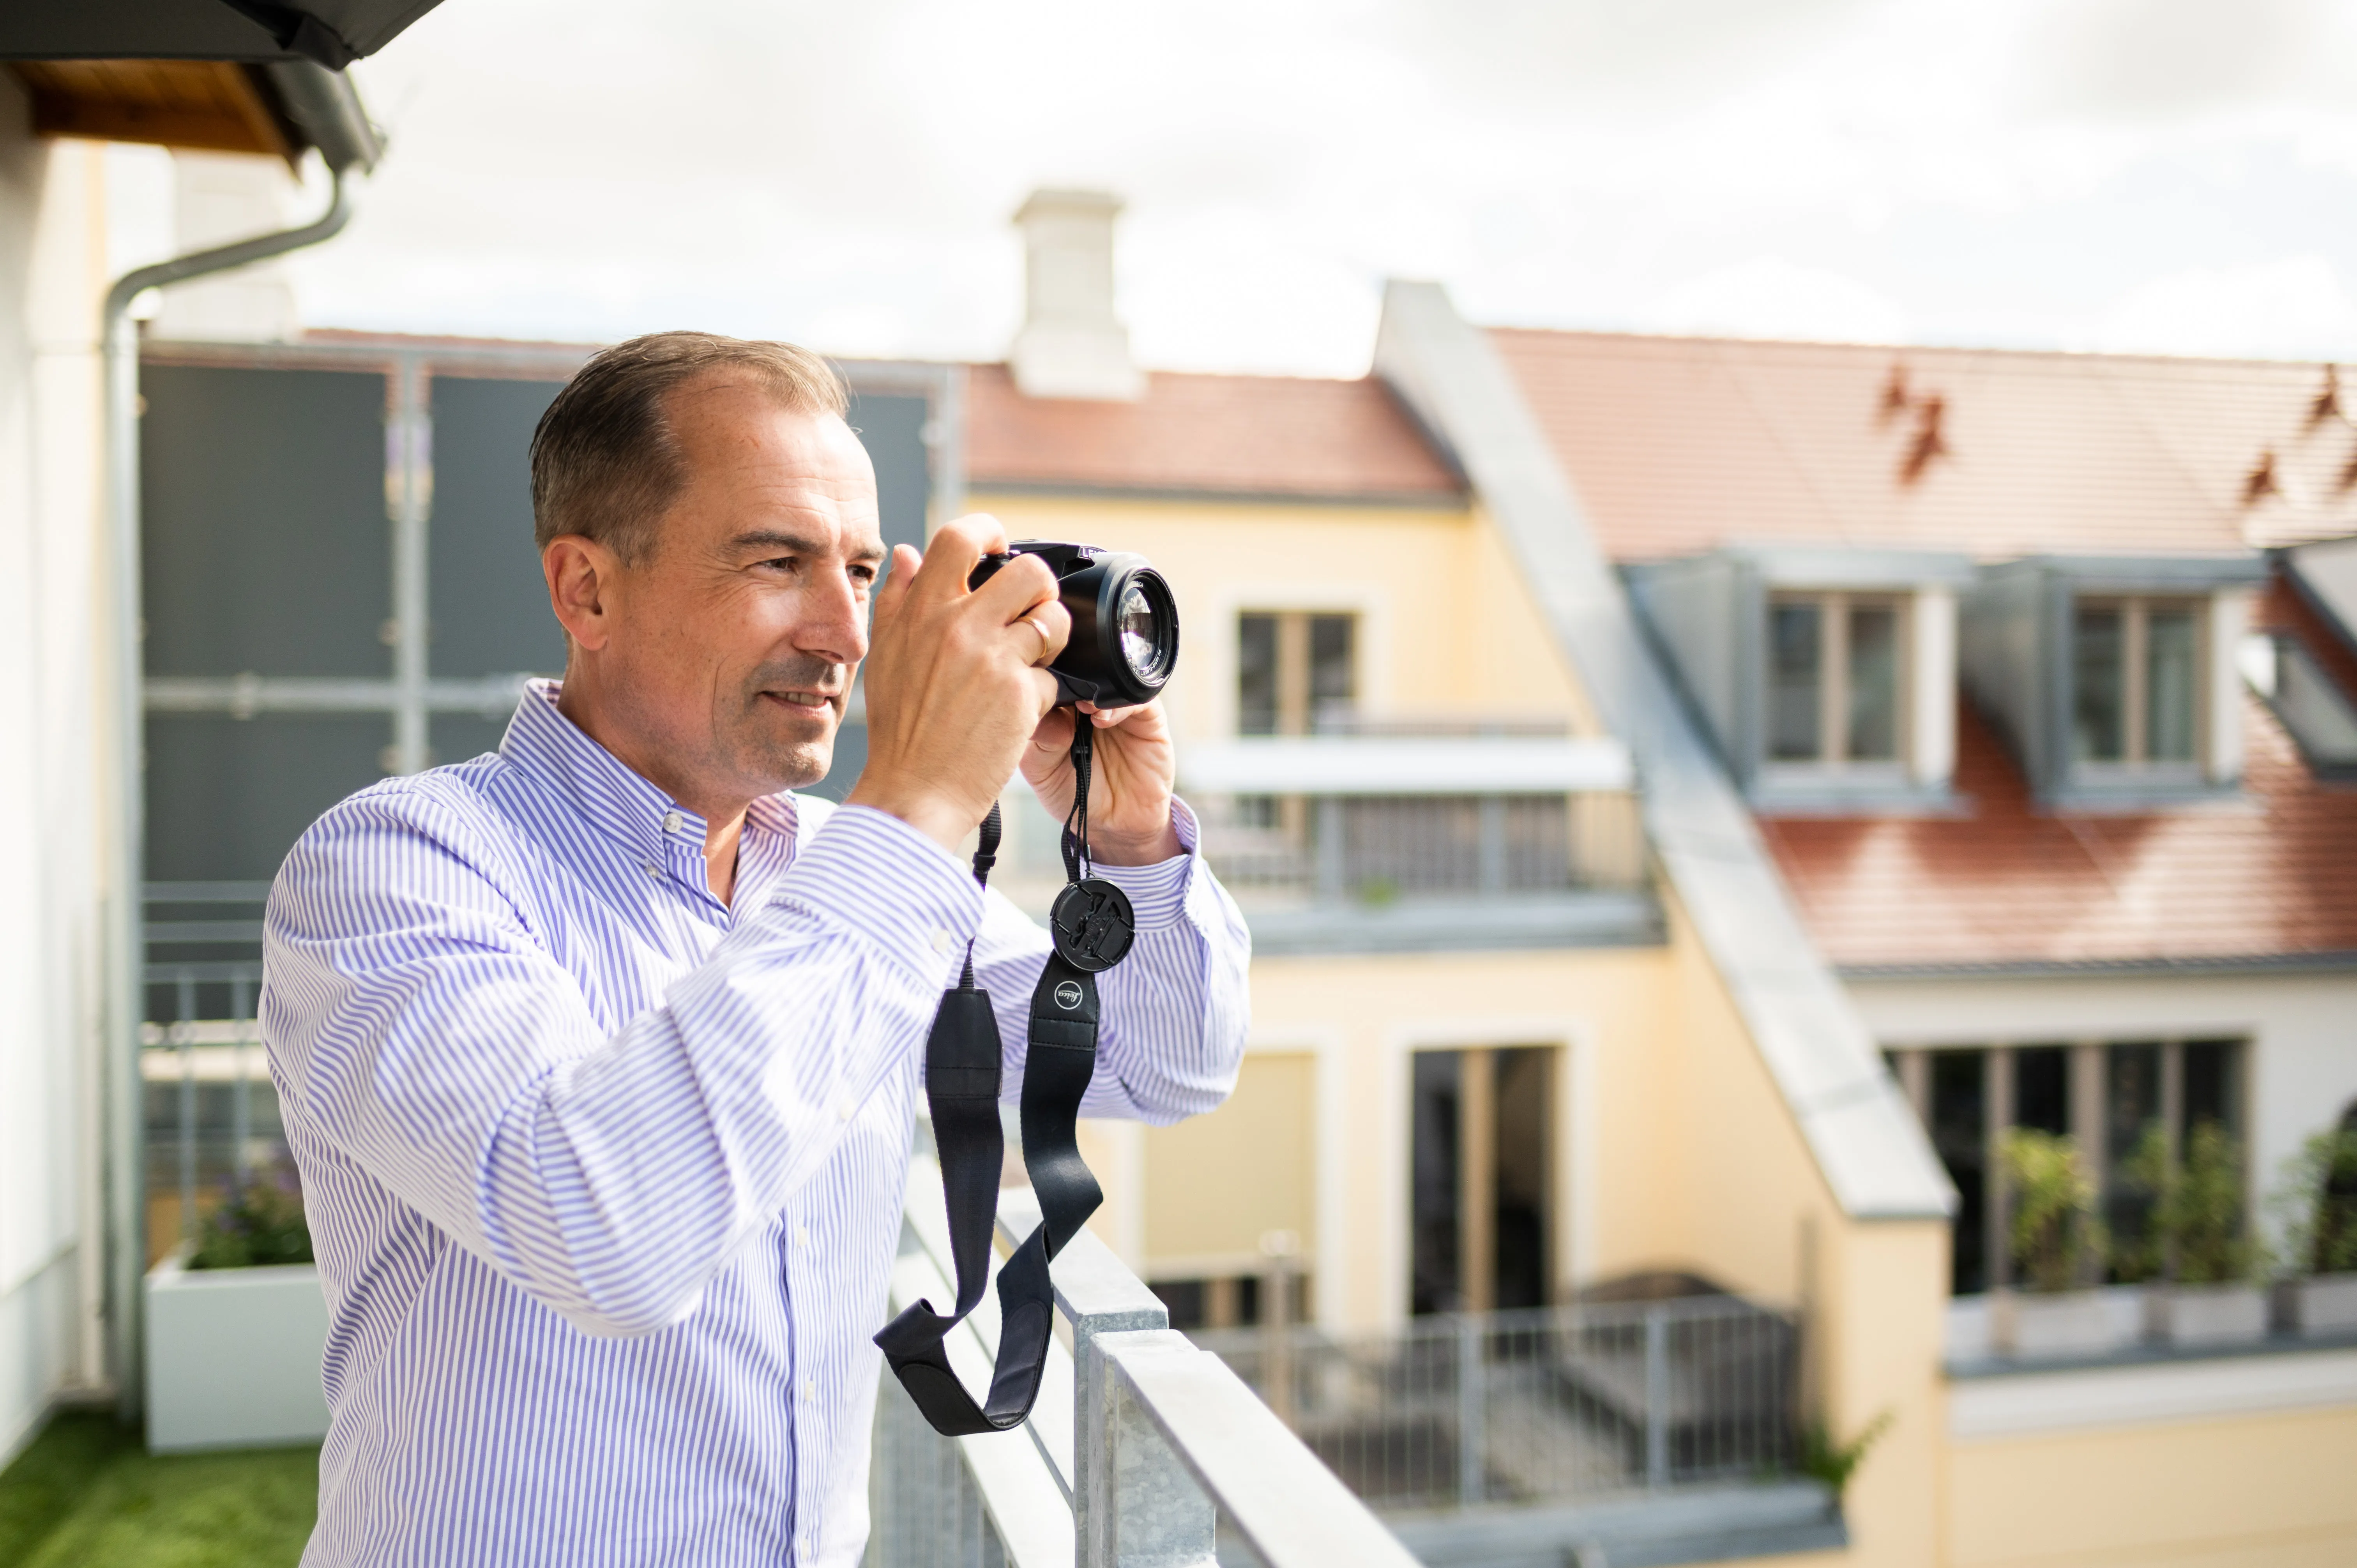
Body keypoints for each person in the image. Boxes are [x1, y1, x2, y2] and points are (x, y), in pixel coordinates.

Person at [260, 332, 1251, 1566]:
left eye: (857, 570)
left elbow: (1168, 1059)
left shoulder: (845, 868)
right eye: (777, 562)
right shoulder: (396, 866)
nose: (846, 635)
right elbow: (603, 1224)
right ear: (588, 591)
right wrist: (924, 803)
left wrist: (1133, 832)